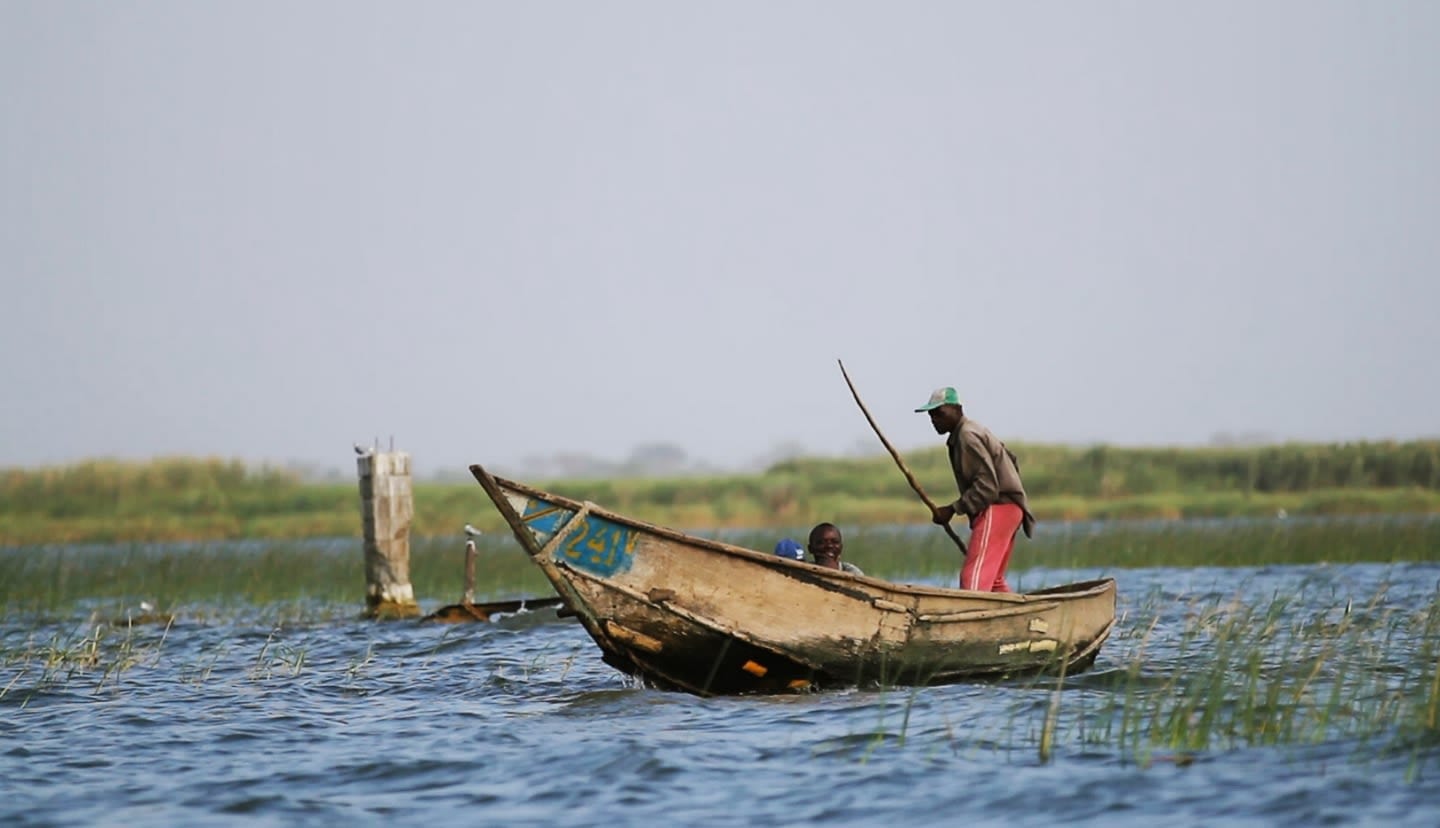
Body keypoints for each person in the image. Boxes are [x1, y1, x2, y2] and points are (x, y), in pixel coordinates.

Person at [915, 387, 1034, 593]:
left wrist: (953, 509)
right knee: (993, 580)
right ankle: (1011, 620)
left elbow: (987, 486)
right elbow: (1009, 459)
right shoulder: (973, 430)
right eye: (931, 415)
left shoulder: (967, 436)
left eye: (939, 413)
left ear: (957, 409)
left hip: (998, 509)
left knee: (972, 581)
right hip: (1010, 509)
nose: (934, 420)